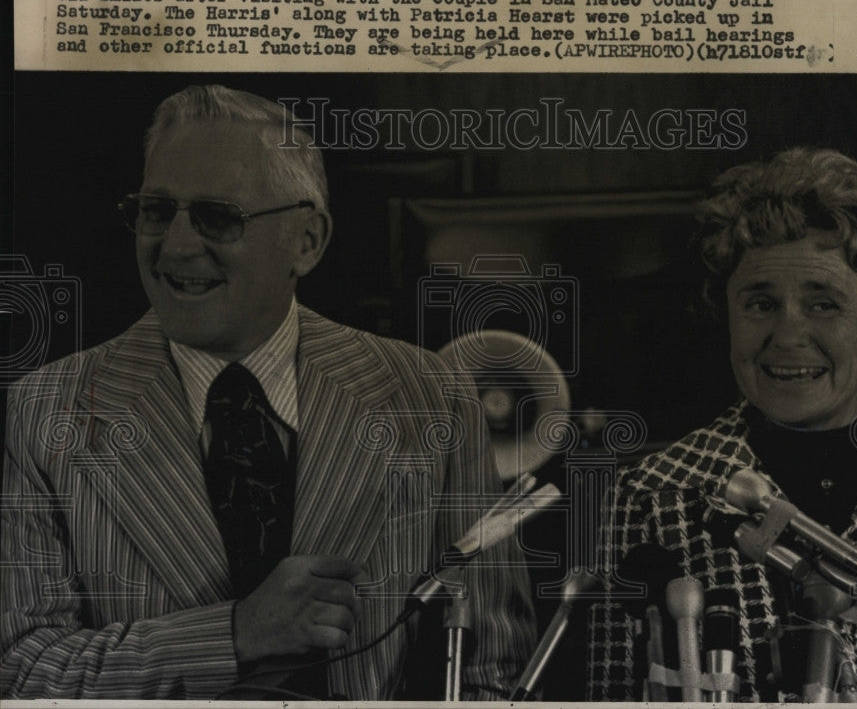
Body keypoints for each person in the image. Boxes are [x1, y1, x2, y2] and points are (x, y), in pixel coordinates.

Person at [1, 85, 535, 699]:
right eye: (155, 210)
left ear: (307, 242)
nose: (174, 245)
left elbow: (495, 671)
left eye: (216, 217)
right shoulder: (44, 412)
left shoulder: (430, 395)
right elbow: (20, 671)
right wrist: (235, 633)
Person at [588, 148, 857, 702]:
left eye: (823, 305)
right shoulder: (647, 497)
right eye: (760, 304)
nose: (788, 335)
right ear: (725, 312)